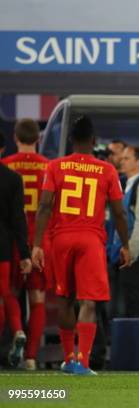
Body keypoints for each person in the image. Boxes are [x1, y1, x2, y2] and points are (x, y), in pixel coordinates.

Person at [31, 116, 130, 375]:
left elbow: (44, 206)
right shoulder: (107, 170)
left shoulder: (55, 166)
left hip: (61, 238)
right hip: (91, 239)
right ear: (94, 141)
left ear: (71, 140)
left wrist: (37, 244)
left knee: (64, 299)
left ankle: (68, 358)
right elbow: (119, 213)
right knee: (89, 302)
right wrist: (126, 244)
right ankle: (83, 362)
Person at [0, 119, 50, 370]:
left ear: (15, 138)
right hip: (40, 239)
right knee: (38, 298)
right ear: (38, 139)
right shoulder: (49, 167)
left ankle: (13, 339)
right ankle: (31, 357)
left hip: (11, 241)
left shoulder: (6, 166)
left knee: (7, 295)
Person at [110, 145, 139, 317]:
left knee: (135, 300)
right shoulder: (128, 185)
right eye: (121, 158)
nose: (121, 162)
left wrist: (131, 249)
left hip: (135, 253)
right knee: (129, 299)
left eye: (127, 158)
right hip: (125, 251)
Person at [0, 132, 33, 368]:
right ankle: (18, 330)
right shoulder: (13, 179)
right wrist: (24, 254)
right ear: (2, 149)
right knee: (5, 292)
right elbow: (18, 220)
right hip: (3, 243)